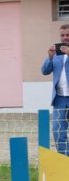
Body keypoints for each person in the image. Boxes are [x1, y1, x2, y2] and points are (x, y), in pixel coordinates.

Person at [41, 24, 69, 156]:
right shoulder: (56, 54)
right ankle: (65, 161)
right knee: (58, 132)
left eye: (67, 35)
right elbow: (45, 71)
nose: (65, 38)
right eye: (62, 35)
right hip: (59, 99)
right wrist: (50, 57)